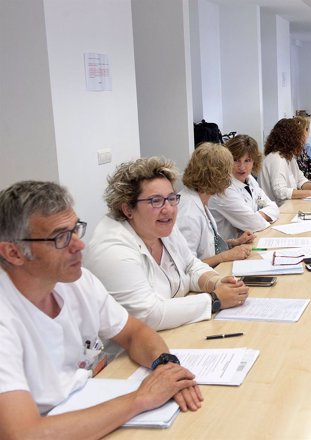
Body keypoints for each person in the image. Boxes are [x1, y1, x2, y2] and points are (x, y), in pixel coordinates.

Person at [0, 181, 202, 438]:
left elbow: (134, 333)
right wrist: (140, 399)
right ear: (13, 252)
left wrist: (165, 366)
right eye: (61, 237)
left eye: (75, 230)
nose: (79, 245)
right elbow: (23, 434)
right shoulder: (5, 318)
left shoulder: (77, 282)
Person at [85, 157, 250, 332]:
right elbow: (148, 315)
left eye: (171, 198)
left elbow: (191, 265)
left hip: (174, 331)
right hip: (126, 354)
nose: (168, 209)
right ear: (127, 209)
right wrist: (215, 300)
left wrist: (216, 282)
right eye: (155, 201)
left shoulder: (161, 228)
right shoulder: (112, 250)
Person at [177, 143, 253, 267]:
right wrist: (225, 256)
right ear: (219, 175)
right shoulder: (188, 213)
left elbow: (208, 246)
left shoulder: (200, 198)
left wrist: (234, 243)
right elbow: (186, 267)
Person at [209, 135, 280, 240]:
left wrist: (255, 216)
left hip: (246, 242)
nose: (242, 167)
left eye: (247, 160)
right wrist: (256, 218)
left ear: (254, 161)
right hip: (227, 250)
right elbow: (254, 224)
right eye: (236, 160)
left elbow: (274, 208)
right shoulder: (224, 187)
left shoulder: (250, 180)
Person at [259, 118, 311, 205]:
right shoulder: (276, 159)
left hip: (288, 206)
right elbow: (280, 192)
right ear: (292, 138)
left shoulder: (289, 156)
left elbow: (300, 179)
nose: (303, 140)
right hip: (279, 210)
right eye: (300, 136)